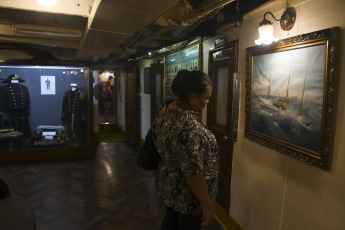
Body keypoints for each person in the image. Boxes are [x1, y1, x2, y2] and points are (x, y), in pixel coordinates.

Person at [151, 70, 219, 229]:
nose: (207, 101)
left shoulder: (164, 109)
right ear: (193, 97)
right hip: (188, 200)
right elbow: (193, 174)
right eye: (206, 98)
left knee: (170, 223)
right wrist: (208, 206)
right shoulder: (188, 128)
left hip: (169, 187)